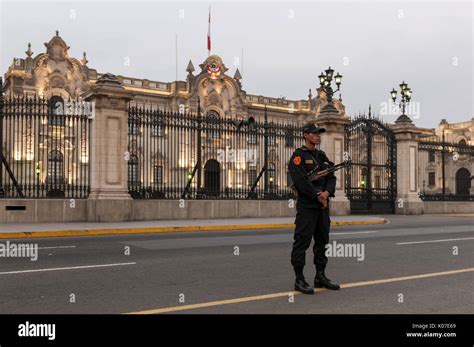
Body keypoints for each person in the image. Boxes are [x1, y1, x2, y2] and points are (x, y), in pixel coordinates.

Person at [288, 122, 340, 294]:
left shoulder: (322, 156)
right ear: (305, 135)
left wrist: (326, 192)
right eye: (315, 133)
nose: (318, 136)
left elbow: (331, 176)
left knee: (322, 242)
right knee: (302, 242)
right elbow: (300, 181)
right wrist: (317, 195)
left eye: (319, 133)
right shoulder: (298, 156)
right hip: (307, 207)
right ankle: (299, 279)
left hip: (322, 207)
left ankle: (320, 276)